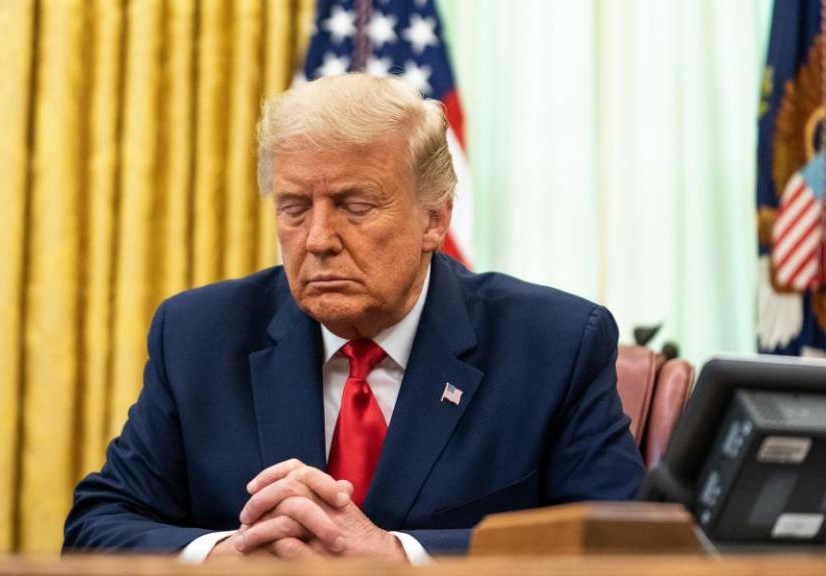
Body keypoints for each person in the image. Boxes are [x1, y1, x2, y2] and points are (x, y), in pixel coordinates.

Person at [63, 73, 645, 561]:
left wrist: (401, 557)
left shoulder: (553, 343)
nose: (317, 239)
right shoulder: (199, 335)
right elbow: (97, 524)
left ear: (434, 220)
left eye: (354, 206)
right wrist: (225, 555)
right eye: (294, 208)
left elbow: (621, 547)